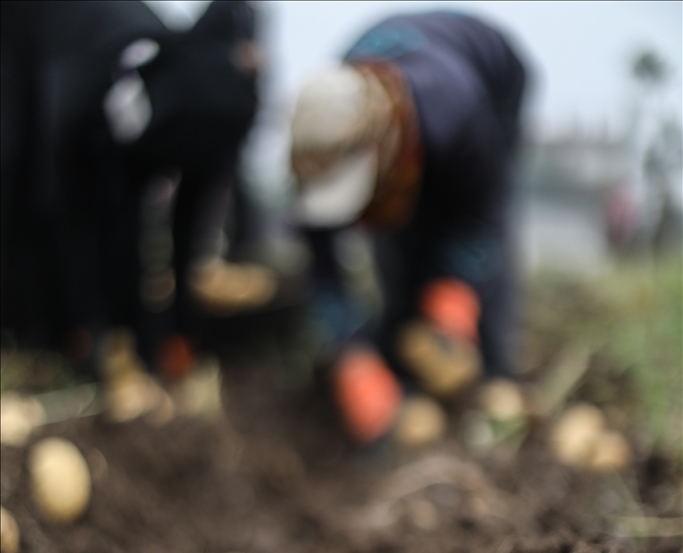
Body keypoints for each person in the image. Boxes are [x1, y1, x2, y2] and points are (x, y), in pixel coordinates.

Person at [1, 0, 275, 382]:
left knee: (122, 225)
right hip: (23, 32)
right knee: (20, 170)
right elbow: (71, 213)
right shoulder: (89, 95)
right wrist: (88, 326)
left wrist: (179, 333)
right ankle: (41, 335)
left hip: (118, 98)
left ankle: (130, 339)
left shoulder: (210, 109)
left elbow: (186, 228)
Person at [290, 10, 527, 443]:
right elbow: (321, 264)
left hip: (494, 79)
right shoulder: (318, 147)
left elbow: (481, 211)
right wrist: (349, 355)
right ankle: (400, 367)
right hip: (410, 112)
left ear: (387, 151)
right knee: (396, 242)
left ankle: (493, 369)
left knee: (449, 239)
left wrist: (455, 289)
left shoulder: (456, 113)